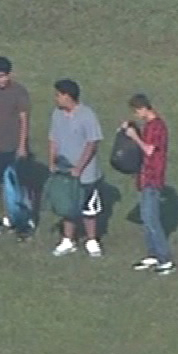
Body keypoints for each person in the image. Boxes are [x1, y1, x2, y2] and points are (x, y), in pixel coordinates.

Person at [48, 80, 106, 258]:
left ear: (67, 96)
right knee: (68, 205)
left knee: (89, 207)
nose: (56, 98)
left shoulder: (87, 115)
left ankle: (91, 239)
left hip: (86, 173)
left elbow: (92, 143)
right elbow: (53, 139)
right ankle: (68, 240)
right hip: (64, 170)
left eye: (58, 95)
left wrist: (80, 167)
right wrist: (52, 161)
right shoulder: (57, 115)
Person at [0, 56, 31, 237]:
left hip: (13, 145)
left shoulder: (19, 92)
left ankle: (24, 221)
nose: (1, 80)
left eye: (3, 76)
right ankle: (7, 217)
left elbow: (24, 119)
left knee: (17, 185)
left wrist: (22, 145)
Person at [125, 95, 173, 275]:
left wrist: (134, 137)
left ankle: (164, 258)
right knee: (146, 218)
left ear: (144, 108)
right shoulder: (149, 126)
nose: (137, 115)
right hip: (145, 177)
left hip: (153, 178)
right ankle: (153, 253)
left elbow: (149, 150)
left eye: (137, 111)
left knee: (151, 219)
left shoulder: (157, 127)